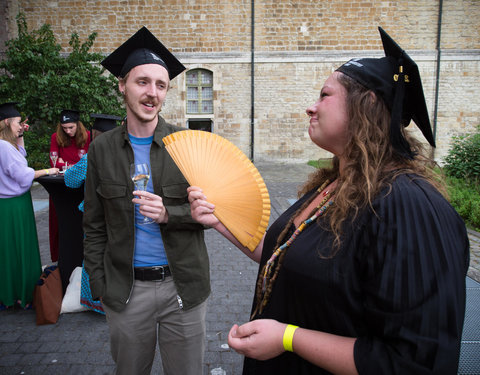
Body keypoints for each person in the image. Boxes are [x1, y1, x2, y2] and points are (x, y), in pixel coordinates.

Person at [188, 27, 470, 374]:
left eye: (324, 95)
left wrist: (288, 338)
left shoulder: (408, 205)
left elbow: (412, 361)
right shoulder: (336, 185)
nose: (311, 107)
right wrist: (217, 219)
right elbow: (283, 253)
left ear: (366, 104)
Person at [83, 27, 210, 375]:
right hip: (126, 290)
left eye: (161, 84)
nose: (152, 93)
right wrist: (98, 284)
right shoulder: (101, 149)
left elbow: (209, 214)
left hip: (182, 287)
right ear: (122, 85)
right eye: (142, 82)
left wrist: (170, 213)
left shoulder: (187, 146)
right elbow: (93, 225)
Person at [0, 102, 59, 309]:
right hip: (14, 206)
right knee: (19, 249)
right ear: (6, 122)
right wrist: (48, 171)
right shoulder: (3, 147)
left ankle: (12, 292)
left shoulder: (7, 145)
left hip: (10, 205)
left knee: (10, 250)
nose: (21, 126)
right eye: (18, 123)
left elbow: (21, 156)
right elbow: (22, 175)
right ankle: (22, 294)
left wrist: (21, 135)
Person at [64, 113, 121, 314]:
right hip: (121, 213)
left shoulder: (93, 155)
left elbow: (69, 180)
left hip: (96, 214)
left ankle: (96, 301)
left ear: (94, 135)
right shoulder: (126, 154)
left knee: (94, 254)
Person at [48, 109, 91, 263]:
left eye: (71, 127)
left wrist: (68, 165)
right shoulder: (56, 137)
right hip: (63, 184)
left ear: (78, 125)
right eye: (65, 128)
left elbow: (90, 160)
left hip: (81, 185)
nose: (68, 131)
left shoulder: (88, 135)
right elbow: (54, 160)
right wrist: (77, 166)